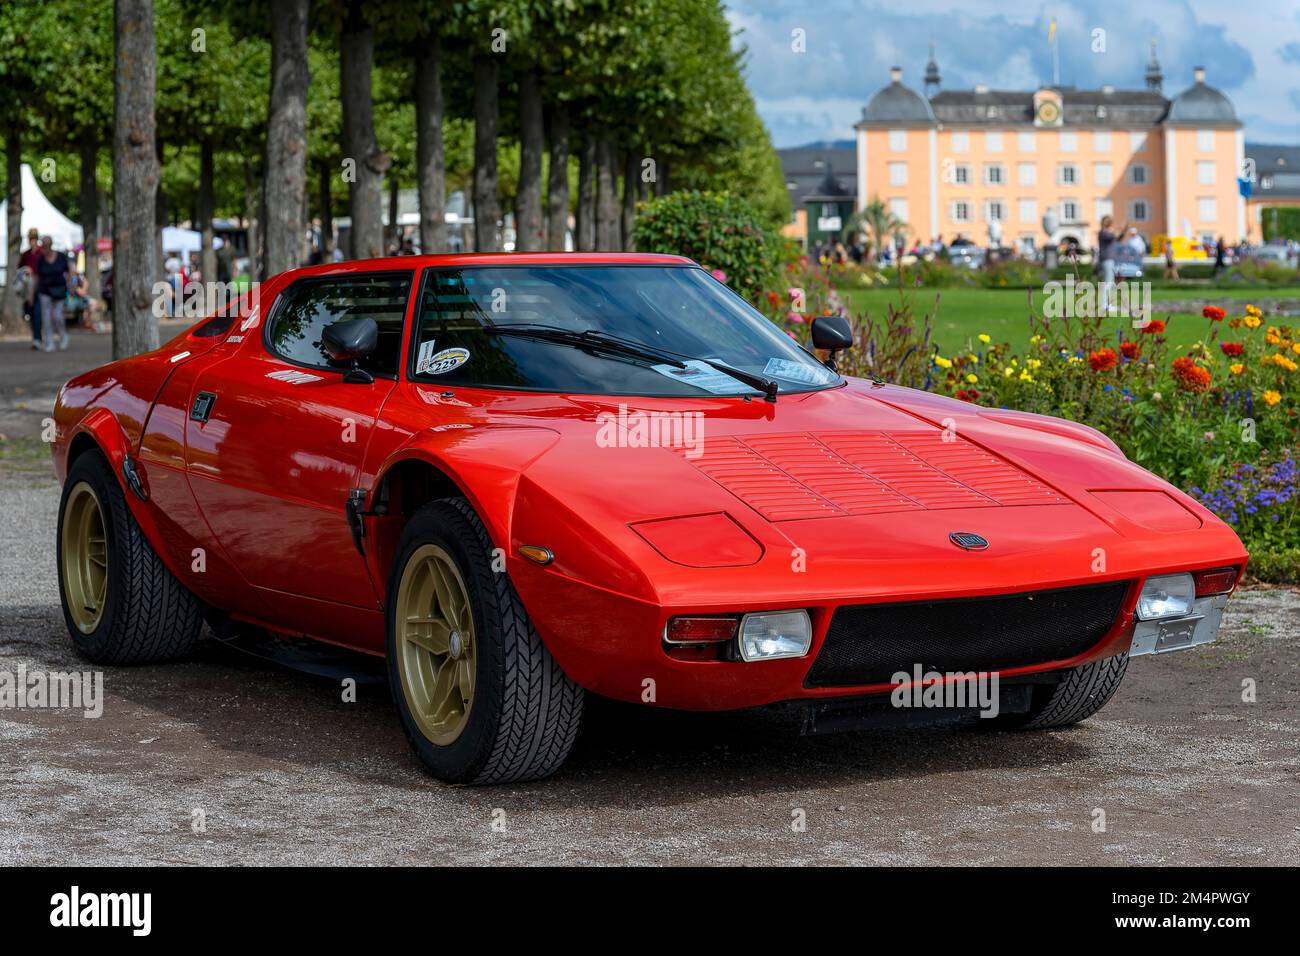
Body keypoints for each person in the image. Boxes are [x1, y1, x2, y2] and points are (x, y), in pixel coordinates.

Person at [36, 236, 74, 351]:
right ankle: (49, 342)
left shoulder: (61, 257)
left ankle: (63, 336)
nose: (43, 249)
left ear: (50, 246)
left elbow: (70, 272)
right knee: (46, 318)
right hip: (45, 290)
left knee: (57, 316)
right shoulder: (41, 260)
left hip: (59, 290)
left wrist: (71, 286)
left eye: (45, 247)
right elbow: (37, 276)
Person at [18, 229, 44, 350]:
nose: (32, 241)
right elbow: (20, 268)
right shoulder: (26, 254)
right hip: (28, 286)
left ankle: (38, 338)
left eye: (34, 238)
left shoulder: (41, 253)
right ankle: (35, 337)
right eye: (30, 238)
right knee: (31, 313)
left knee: (38, 313)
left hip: (40, 285)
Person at [1096, 215, 1125, 314]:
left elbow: (1118, 238)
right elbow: (1114, 236)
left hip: (1109, 259)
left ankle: (1108, 304)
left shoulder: (1106, 233)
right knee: (1108, 282)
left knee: (1109, 282)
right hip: (1107, 259)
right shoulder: (1103, 233)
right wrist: (1120, 229)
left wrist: (1123, 231)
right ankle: (1105, 305)